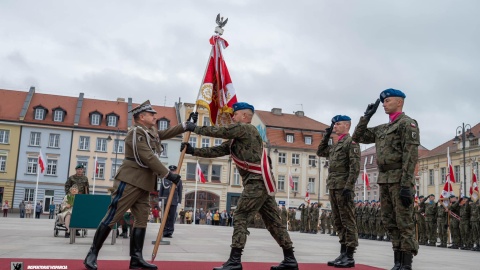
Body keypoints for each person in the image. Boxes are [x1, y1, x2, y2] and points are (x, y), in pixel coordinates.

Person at [181, 102, 298, 270]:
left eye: (234, 115)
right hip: (261, 183)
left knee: (241, 216)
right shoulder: (237, 138)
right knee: (273, 222)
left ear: (244, 116)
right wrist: (193, 151)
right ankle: (290, 259)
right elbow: (217, 150)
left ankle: (235, 260)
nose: (232, 118)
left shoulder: (246, 129)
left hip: (257, 182)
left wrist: (195, 128)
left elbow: (221, 131)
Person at [83, 100, 190, 270]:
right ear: (141, 117)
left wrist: (185, 125)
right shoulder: (136, 133)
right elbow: (148, 157)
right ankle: (92, 254)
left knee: (141, 220)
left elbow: (164, 133)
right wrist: (169, 175)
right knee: (113, 216)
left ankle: (136, 258)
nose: (155, 116)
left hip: (145, 183)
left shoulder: (150, 131)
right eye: (151, 114)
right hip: (131, 180)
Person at [352, 88, 419, 270]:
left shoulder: (407, 124)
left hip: (399, 180)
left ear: (399, 102)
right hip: (384, 179)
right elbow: (357, 137)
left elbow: (410, 156)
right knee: (390, 221)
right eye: (383, 101)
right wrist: (366, 117)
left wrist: (406, 184)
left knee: (404, 222)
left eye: (388, 100)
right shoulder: (383, 128)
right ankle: (397, 262)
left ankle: (406, 264)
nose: (383, 104)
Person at [317, 114, 360, 268]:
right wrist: (327, 135)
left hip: (343, 188)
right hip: (334, 187)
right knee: (338, 221)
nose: (335, 127)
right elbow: (320, 151)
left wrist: (349, 186)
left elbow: (355, 167)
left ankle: (350, 255)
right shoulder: (336, 144)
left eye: (338, 124)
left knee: (348, 221)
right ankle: (342, 253)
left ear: (347, 126)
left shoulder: (351, 143)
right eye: (334, 125)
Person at [159, 165, 183, 238]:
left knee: (172, 217)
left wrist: (179, 202)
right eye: (171, 170)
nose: (172, 172)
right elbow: (161, 191)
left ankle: (170, 232)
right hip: (165, 201)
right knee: (165, 217)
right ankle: (164, 231)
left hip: (173, 202)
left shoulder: (178, 180)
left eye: (173, 170)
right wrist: (160, 200)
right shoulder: (164, 179)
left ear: (175, 171)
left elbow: (180, 192)